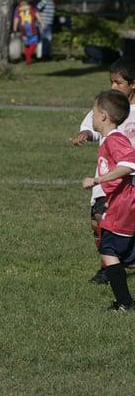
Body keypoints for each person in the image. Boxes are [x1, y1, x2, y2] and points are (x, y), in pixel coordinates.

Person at [70, 58, 135, 284]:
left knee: (112, 224)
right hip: (108, 179)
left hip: (128, 179)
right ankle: (113, 264)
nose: (113, 87)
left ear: (133, 84)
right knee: (97, 221)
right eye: (111, 82)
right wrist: (86, 135)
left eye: (118, 83)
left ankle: (111, 267)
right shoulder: (107, 105)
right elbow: (94, 126)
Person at [82, 90, 135, 311]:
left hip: (124, 204)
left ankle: (124, 302)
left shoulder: (115, 140)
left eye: (93, 112)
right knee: (120, 251)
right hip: (121, 202)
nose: (91, 116)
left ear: (103, 116)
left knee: (109, 249)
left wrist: (98, 180)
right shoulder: (109, 139)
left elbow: (129, 165)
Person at [12, 0, 45, 65]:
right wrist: (42, 23)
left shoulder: (18, 8)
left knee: (27, 44)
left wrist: (15, 28)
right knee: (33, 43)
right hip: (31, 29)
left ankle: (28, 58)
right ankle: (28, 57)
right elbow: (37, 15)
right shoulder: (32, 7)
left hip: (24, 29)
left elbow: (16, 19)